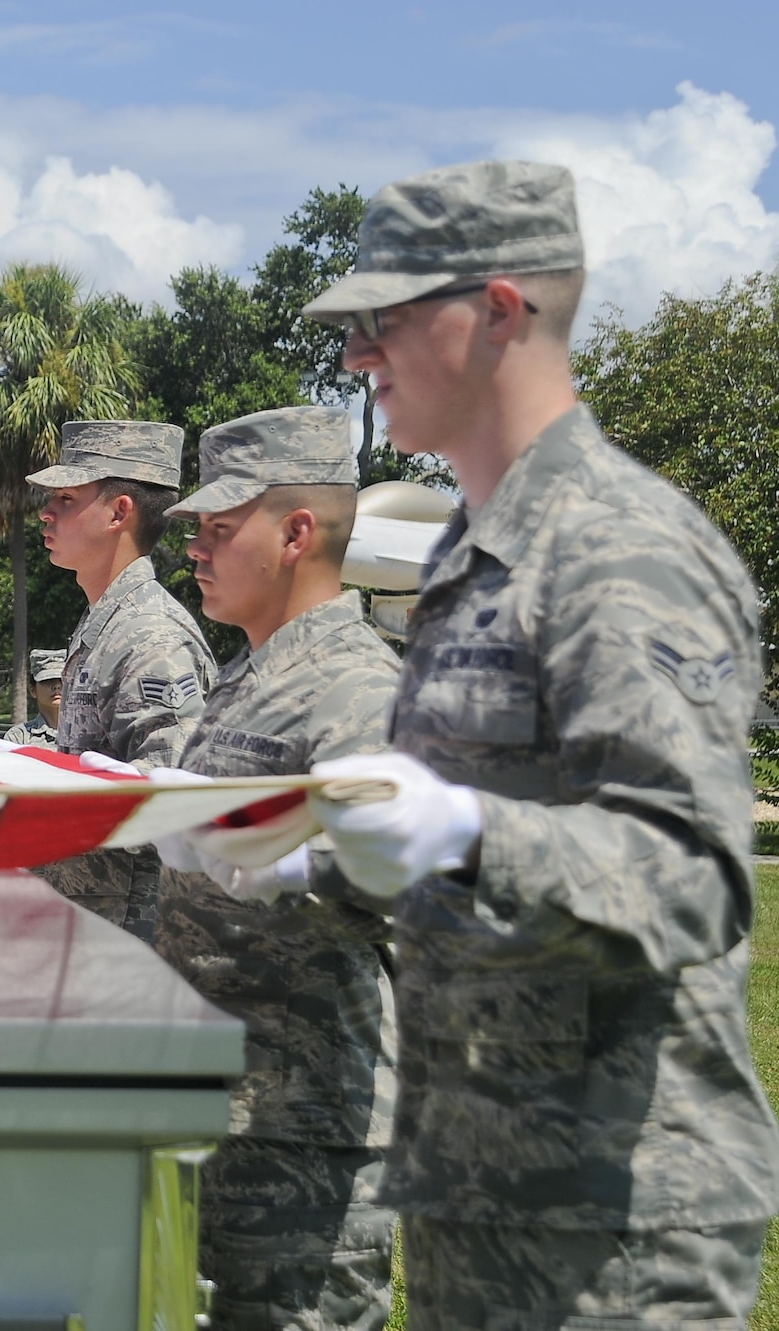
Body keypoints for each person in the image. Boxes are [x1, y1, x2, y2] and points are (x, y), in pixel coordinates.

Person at [295, 161, 779, 1329]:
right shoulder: (472, 556)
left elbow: (693, 873)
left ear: (498, 311)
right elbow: (463, 845)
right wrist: (317, 857)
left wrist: (462, 829)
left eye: (385, 321)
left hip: (618, 1216)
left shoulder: (617, 549)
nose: (359, 355)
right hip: (477, 1180)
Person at [146, 405, 401, 1331]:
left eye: (220, 529)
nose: (197, 552)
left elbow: (398, 872)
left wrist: (276, 860)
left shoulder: (358, 686)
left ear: (298, 532)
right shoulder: (250, 673)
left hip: (297, 1137)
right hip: (220, 1113)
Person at [27, 419, 216, 943]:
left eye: (66, 497)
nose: (46, 511)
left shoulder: (150, 636)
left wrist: (34, 785)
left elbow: (168, 804)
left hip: (135, 940)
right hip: (95, 929)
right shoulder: (108, 624)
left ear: (118, 512)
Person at [2, 649, 65, 747]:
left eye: (62, 680)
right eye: (48, 680)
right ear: (32, 690)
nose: (56, 686)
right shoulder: (19, 738)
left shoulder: (85, 734)